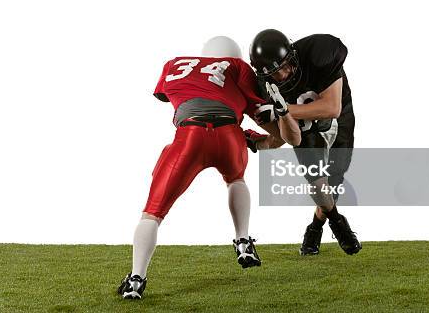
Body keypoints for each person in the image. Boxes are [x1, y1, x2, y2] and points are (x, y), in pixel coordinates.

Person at [118, 36, 301, 299]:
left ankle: (137, 278)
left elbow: (169, 93)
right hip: (229, 132)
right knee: (236, 179)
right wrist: (268, 132)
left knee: (153, 213)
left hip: (189, 134)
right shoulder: (238, 68)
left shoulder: (174, 64)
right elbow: (270, 127)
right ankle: (243, 240)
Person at [249, 29, 361, 256]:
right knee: (318, 183)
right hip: (304, 128)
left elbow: (332, 107)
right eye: (274, 72)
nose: (282, 75)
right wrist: (263, 141)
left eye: (284, 65)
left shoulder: (319, 52)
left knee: (335, 180)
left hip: (338, 118)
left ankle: (315, 226)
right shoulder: (263, 88)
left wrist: (284, 109)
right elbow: (287, 137)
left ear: (292, 54)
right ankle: (337, 222)